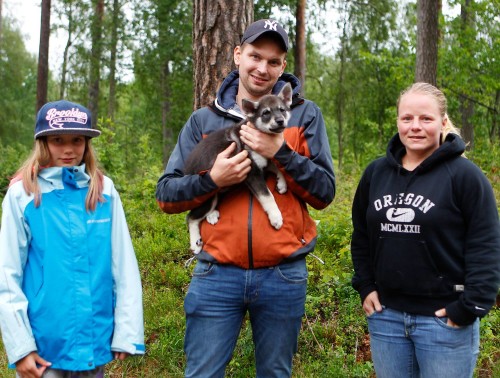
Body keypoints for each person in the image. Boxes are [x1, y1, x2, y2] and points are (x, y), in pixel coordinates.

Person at [156, 19, 335, 377]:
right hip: (216, 273)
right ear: (238, 55)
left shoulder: (305, 115)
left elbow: (324, 193)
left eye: (273, 61)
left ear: (283, 66)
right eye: (255, 56)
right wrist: (214, 180)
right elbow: (166, 195)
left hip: (283, 274)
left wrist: (280, 152)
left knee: (275, 373)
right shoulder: (202, 121)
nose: (262, 67)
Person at [350, 82, 500, 378]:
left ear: (443, 123)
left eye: (426, 119)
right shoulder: (376, 174)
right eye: (407, 118)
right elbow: (362, 235)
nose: (415, 127)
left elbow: (486, 244)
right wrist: (366, 286)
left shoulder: (465, 176)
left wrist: (470, 306)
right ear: (397, 122)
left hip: (443, 321)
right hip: (387, 318)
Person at [0, 100, 145, 378]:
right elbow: (7, 274)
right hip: (43, 343)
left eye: (77, 140)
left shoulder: (103, 190)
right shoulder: (23, 194)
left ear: (86, 143)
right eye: (58, 140)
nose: (68, 149)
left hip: (93, 335)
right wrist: (20, 347)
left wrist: (127, 331)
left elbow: (123, 264)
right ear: (43, 142)